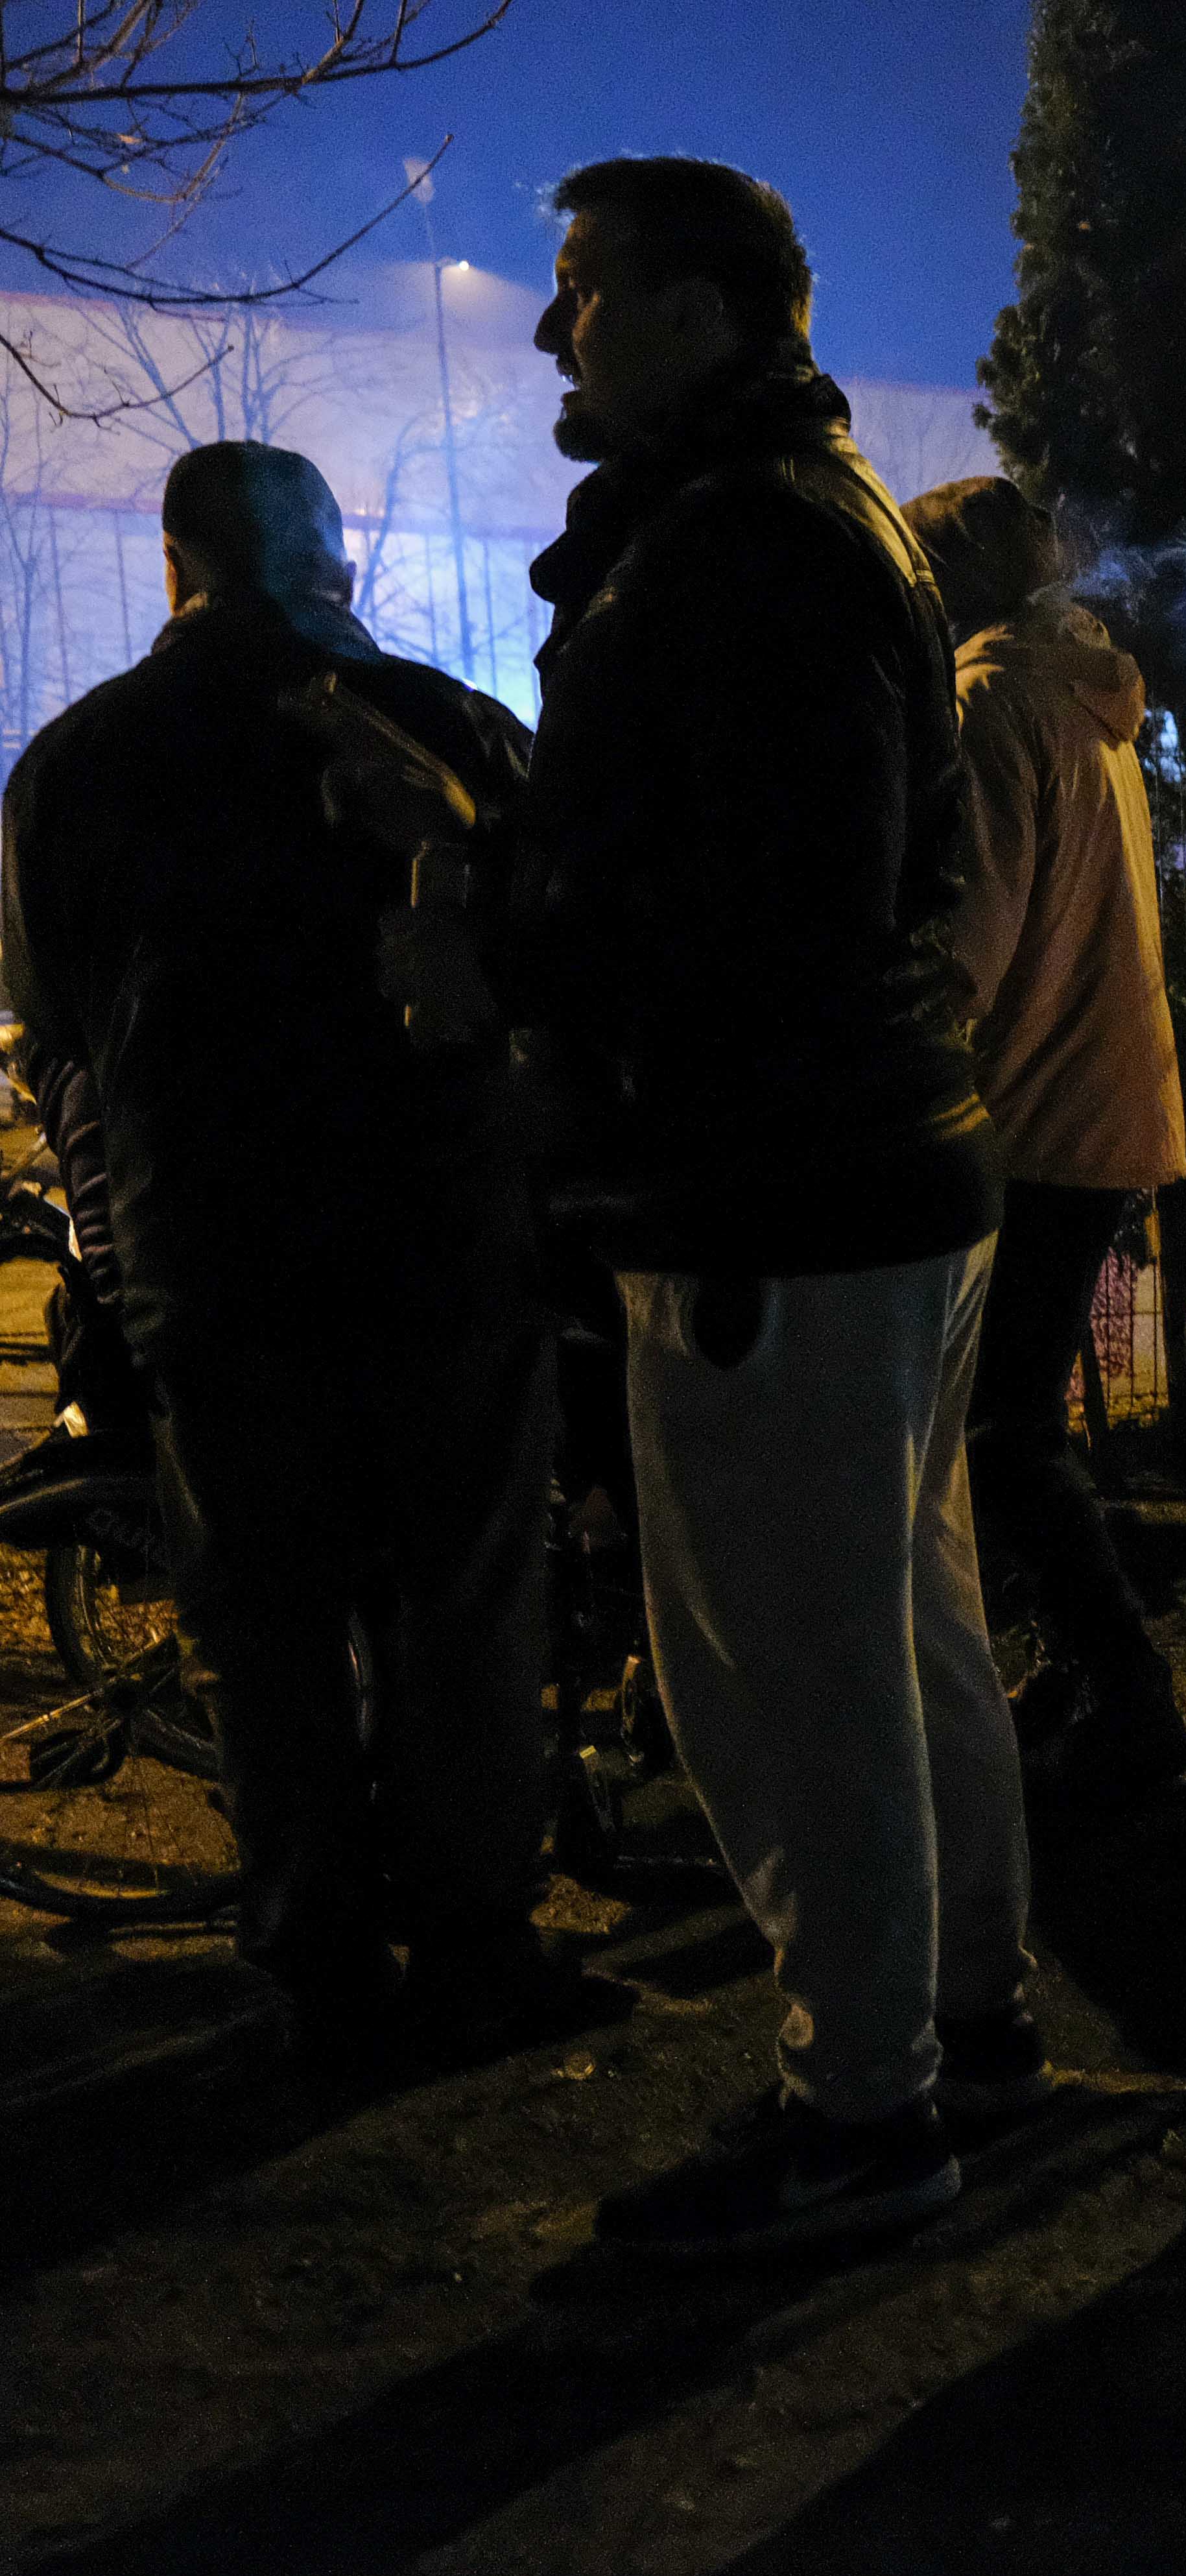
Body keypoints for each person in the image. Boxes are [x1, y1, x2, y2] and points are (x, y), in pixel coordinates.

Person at [407, 158, 1042, 2257]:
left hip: (771, 1192)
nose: (548, 327)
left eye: (580, 287)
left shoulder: (735, 547)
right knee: (902, 1630)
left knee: (786, 1678)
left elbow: (756, 909)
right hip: (880, 1166)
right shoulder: (818, 519)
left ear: (695, 310)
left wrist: (498, 937)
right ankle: (964, 2026)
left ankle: (863, 2111)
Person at [0, 442, 589, 2075]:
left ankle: (319, 1952)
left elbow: (54, 1038)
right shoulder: (450, 728)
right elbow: (556, 968)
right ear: (337, 565)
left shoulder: (70, 768)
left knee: (262, 1621)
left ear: (175, 564)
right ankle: (478, 1939)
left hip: (214, 1254)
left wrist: (118, 1230)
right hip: (443, 1237)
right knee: (463, 1598)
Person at [906, 475, 1186, 1812]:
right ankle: (1087, 1674)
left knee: (995, 1431)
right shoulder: (1089, 696)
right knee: (1017, 1422)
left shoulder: (987, 701)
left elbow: (970, 939)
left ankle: (1121, 1686)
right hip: (1106, 1101)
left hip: (1027, 1112)